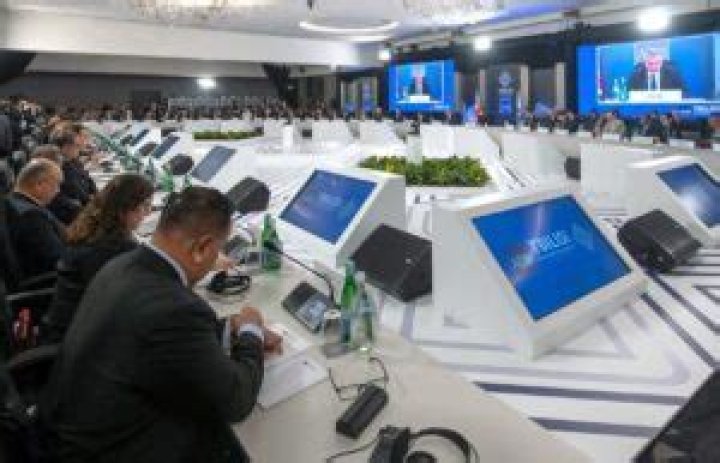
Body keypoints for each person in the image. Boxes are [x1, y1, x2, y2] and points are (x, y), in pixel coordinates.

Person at [41, 186, 282, 463]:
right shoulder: (175, 309)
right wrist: (251, 331)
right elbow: (236, 400)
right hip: (111, 449)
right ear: (202, 247)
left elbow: (164, 337)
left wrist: (231, 327)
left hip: (71, 425)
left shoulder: (122, 264)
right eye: (218, 249)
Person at [43, 174, 154, 343]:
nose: (148, 212)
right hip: (79, 340)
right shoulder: (116, 247)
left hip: (66, 326)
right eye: (145, 205)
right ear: (124, 209)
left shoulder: (92, 229)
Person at [5, 159, 65, 280]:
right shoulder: (31, 217)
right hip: (50, 282)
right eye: (56, 185)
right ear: (39, 185)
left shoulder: (13, 202)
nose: (58, 191)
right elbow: (57, 259)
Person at [48, 123, 98, 224]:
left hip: (81, 209)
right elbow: (74, 191)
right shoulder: (58, 166)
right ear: (66, 147)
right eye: (77, 146)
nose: (79, 149)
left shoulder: (73, 161)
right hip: (71, 216)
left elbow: (87, 179)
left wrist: (95, 194)